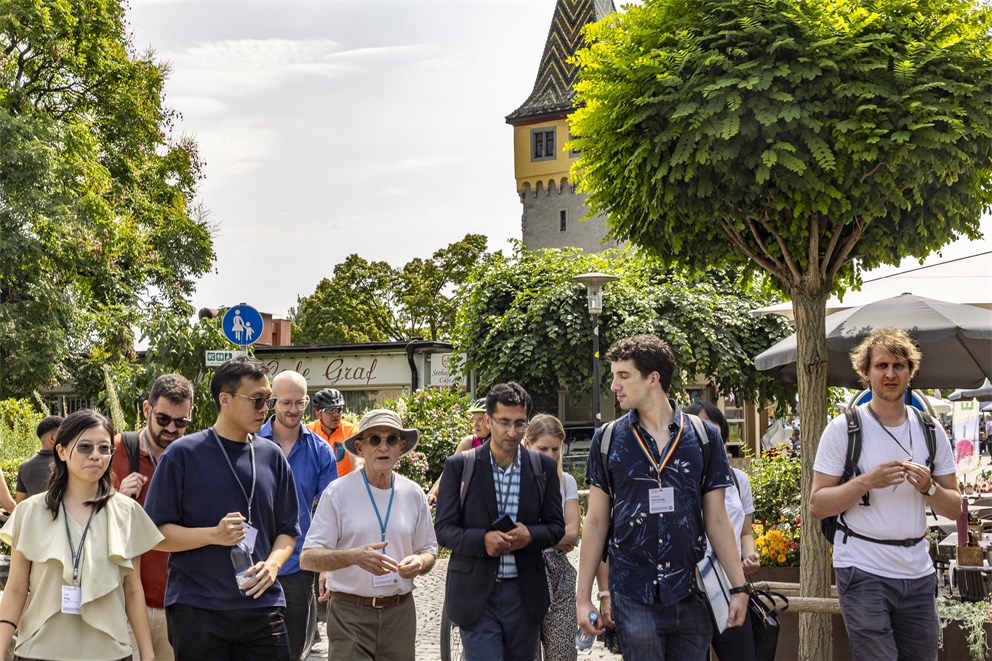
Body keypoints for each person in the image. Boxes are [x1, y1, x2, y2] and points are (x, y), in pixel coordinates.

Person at [576, 334, 747, 661]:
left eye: (623, 375)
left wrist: (738, 587)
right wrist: (584, 598)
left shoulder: (703, 436)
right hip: (633, 594)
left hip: (692, 592)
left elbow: (717, 518)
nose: (614, 385)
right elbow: (596, 522)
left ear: (652, 378)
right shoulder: (608, 439)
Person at [810, 328, 960, 661]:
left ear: (910, 371)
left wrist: (929, 487)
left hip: (918, 571)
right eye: (881, 366)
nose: (890, 374)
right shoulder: (843, 429)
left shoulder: (931, 430)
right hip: (862, 568)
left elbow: (954, 507)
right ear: (865, 372)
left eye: (898, 366)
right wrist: (866, 482)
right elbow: (817, 505)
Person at [144, 356, 300, 661]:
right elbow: (155, 534)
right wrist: (213, 535)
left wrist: (272, 566)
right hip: (198, 607)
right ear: (224, 399)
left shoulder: (272, 456)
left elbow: (287, 531)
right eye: (257, 400)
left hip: (263, 605)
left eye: (268, 400)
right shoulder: (183, 454)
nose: (264, 409)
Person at [0, 410, 163, 661]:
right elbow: (15, 590)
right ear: (62, 451)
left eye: (104, 448)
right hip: (39, 651)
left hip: (110, 653)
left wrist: (148, 655)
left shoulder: (127, 512)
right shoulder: (29, 512)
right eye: (85, 447)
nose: (96, 455)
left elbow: (133, 590)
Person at [435, 382, 564, 661]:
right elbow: (443, 530)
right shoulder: (460, 466)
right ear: (488, 421)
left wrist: (530, 535)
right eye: (504, 422)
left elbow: (556, 527)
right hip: (477, 594)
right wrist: (482, 540)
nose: (512, 432)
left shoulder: (542, 467)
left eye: (519, 423)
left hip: (524, 594)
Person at [301, 408, 437, 660]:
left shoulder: (414, 493)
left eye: (391, 439)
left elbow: (429, 551)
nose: (383, 447)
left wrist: (419, 562)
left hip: (399, 614)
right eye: (375, 439)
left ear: (401, 447)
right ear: (360, 447)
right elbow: (308, 558)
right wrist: (353, 557)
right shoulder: (337, 492)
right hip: (350, 613)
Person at [110, 373, 193, 661]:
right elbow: (87, 515)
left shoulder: (192, 456)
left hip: (177, 599)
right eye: (163, 419)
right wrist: (117, 497)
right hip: (125, 598)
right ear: (147, 409)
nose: (171, 428)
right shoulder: (116, 450)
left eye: (181, 422)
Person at [257, 371, 337, 660]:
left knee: (293, 647)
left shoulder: (321, 451)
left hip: (298, 564)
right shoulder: (249, 442)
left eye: (299, 403)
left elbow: (330, 513)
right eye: (286, 402)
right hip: (254, 560)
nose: (292, 410)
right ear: (273, 402)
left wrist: (326, 565)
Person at [685, 400, 760, 661]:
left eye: (714, 428)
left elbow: (745, 532)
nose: (709, 433)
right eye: (702, 426)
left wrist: (749, 556)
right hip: (688, 586)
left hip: (728, 583)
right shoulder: (678, 479)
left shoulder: (739, 480)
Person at [522, 414, 579, 661]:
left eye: (555, 449)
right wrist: (554, 535)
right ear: (527, 443)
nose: (550, 455)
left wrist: (533, 534)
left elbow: (573, 531)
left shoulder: (565, 481)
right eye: (543, 448)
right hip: (525, 572)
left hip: (559, 573)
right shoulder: (517, 482)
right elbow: (515, 532)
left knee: (562, 653)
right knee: (527, 654)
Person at [426, 397, 491, 505]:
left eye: (480, 419)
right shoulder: (469, 442)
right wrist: (433, 493)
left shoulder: (502, 446)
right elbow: (448, 473)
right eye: (474, 419)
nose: (475, 424)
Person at [308, 388, 361, 477]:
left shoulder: (350, 431)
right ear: (318, 413)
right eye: (330, 410)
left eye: (339, 409)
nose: (336, 414)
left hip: (343, 484)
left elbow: (357, 463)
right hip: (316, 483)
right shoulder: (308, 432)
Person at [15, 414, 63, 502]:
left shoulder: (25, 467)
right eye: (64, 434)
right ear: (52, 438)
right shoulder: (67, 462)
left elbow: (20, 504)